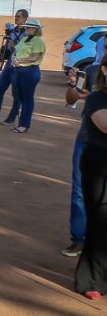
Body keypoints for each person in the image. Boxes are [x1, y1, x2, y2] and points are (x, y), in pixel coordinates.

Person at [73, 60, 107, 300]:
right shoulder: (96, 98)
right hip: (99, 166)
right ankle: (91, 279)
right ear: (104, 70)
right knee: (100, 222)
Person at [64, 67, 93, 258]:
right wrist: (73, 84)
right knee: (79, 190)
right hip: (87, 139)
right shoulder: (92, 71)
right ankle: (79, 239)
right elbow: (71, 99)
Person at [0, 9, 30, 123]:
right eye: (15, 16)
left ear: (25, 18)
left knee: (16, 93)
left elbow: (25, 52)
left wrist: (14, 47)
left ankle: (12, 117)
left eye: (18, 17)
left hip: (19, 65)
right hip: (9, 64)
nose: (16, 18)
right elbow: (7, 46)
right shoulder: (12, 31)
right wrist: (2, 51)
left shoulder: (28, 34)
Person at [8, 18, 46, 133]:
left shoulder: (38, 41)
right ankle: (22, 123)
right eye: (26, 27)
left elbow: (35, 57)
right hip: (19, 70)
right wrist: (14, 57)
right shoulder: (24, 39)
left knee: (27, 98)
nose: (27, 29)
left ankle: (24, 124)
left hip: (30, 71)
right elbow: (16, 51)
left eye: (29, 27)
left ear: (35, 29)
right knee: (19, 96)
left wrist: (19, 60)